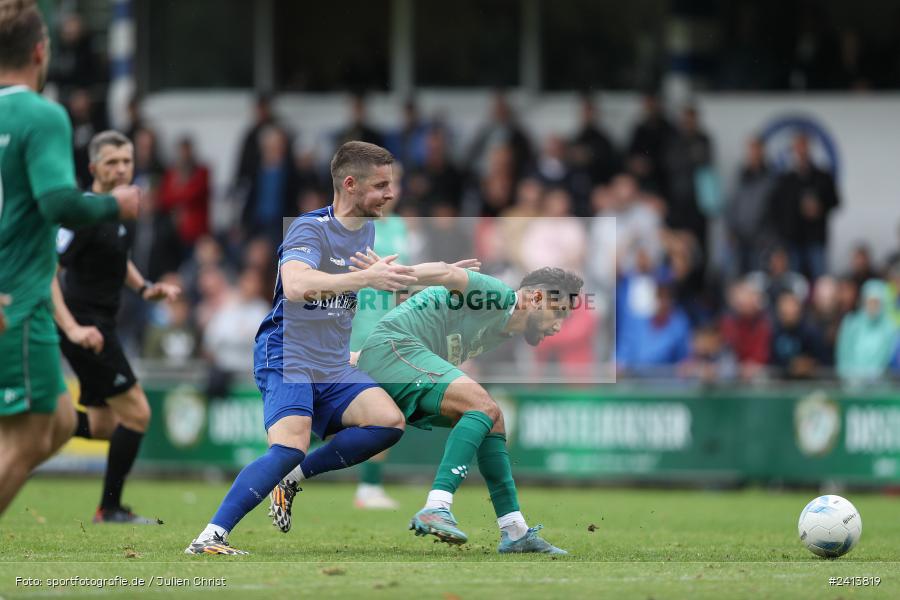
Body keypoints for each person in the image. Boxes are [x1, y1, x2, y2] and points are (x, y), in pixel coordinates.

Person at [185, 142, 465, 555]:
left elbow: (381, 277)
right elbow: (297, 286)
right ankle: (210, 537)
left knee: (388, 421)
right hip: (289, 352)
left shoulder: (366, 229)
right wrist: (366, 280)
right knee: (288, 446)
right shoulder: (309, 228)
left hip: (330, 360)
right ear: (350, 185)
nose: (391, 193)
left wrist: (444, 276)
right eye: (381, 185)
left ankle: (292, 478)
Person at [272, 266, 579, 554]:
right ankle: (437, 506)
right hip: (397, 349)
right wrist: (392, 274)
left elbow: (435, 305)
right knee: (483, 406)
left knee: (493, 419)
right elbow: (448, 272)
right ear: (536, 298)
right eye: (559, 312)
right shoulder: (499, 296)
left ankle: (514, 531)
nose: (558, 325)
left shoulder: (504, 328)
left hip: (395, 357)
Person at [0, 0, 140, 516]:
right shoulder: (41, 114)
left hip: (23, 297)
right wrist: (113, 204)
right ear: (40, 53)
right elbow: (58, 204)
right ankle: (111, 506)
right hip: (18, 297)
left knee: (60, 421)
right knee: (35, 431)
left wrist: (144, 286)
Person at [52, 131, 181, 523]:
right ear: (93, 168)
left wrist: (144, 287)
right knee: (138, 414)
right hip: (86, 327)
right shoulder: (82, 212)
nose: (121, 168)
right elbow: (46, 269)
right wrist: (71, 328)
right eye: (111, 162)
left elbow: (116, 256)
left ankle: (39, 425)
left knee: (107, 426)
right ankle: (110, 508)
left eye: (126, 161)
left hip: (100, 324)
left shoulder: (120, 208)